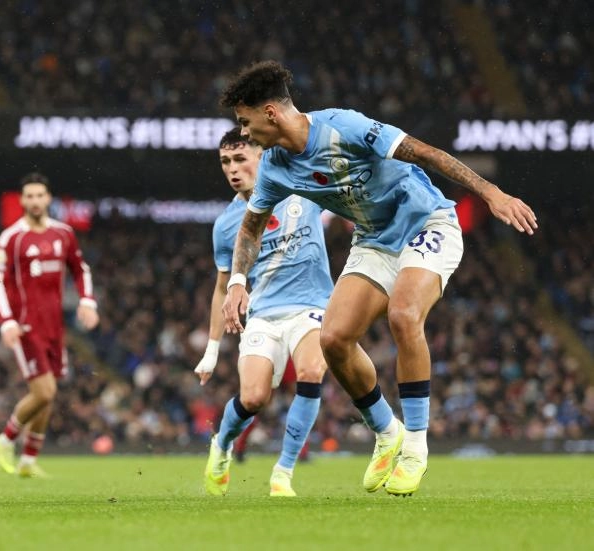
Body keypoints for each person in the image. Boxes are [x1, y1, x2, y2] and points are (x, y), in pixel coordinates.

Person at [219, 61, 537, 496]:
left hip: (429, 224)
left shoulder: (343, 127)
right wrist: (238, 279)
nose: (245, 132)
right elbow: (251, 228)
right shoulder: (274, 168)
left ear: (270, 113)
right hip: (374, 241)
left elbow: (425, 152)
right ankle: (388, 433)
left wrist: (491, 193)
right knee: (333, 339)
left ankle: (417, 450)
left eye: (245, 120)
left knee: (404, 315)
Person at [195, 128, 331, 497]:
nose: (232, 169)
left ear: (262, 157)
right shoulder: (226, 225)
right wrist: (210, 351)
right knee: (254, 397)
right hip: (265, 315)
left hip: (311, 305)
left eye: (240, 159)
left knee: (311, 372)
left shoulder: (300, 188)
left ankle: (283, 472)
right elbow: (223, 288)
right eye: (226, 162)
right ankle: (221, 443)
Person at [0, 173, 99, 477]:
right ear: (22, 200)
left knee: (47, 394)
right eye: (30, 196)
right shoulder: (12, 237)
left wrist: (87, 301)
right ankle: (5, 439)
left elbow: (80, 269)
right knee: (45, 391)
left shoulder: (63, 234)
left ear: (48, 198)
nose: (35, 201)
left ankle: (28, 460)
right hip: (26, 326)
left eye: (40, 195)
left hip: (55, 328)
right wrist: (7, 322)